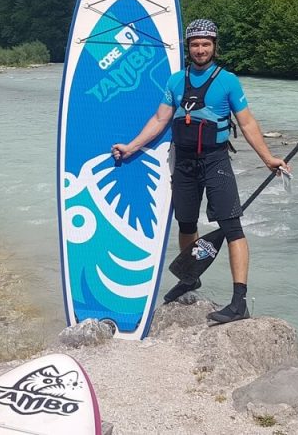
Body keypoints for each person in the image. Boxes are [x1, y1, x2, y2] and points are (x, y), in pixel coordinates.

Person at [111, 19, 288, 324]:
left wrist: (268, 158)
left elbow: (247, 123)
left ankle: (239, 302)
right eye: (195, 44)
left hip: (215, 161)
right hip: (184, 164)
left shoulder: (228, 81)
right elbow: (159, 120)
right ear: (188, 47)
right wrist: (131, 146)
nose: (201, 49)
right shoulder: (175, 81)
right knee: (186, 225)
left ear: (214, 46)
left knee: (232, 227)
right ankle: (191, 278)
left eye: (206, 44)